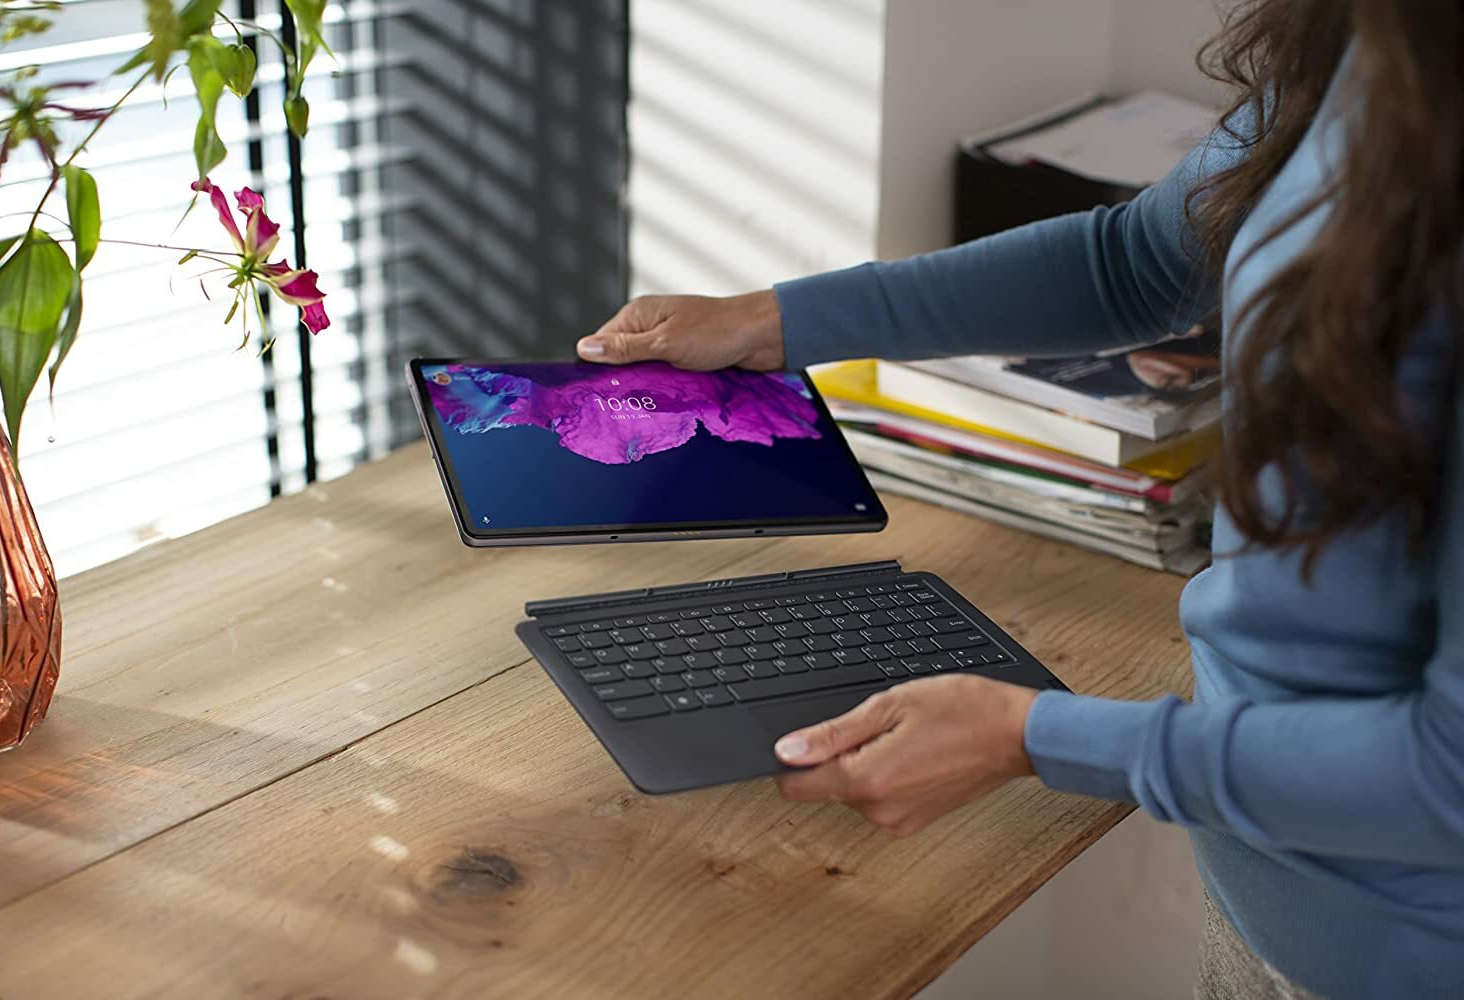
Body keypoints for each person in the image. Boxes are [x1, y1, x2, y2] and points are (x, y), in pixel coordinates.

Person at [574, 1, 1463, 997]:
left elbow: (1450, 774)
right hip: (1269, 882)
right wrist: (773, 320)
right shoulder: (1373, 44)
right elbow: (1138, 259)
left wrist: (1032, 736)